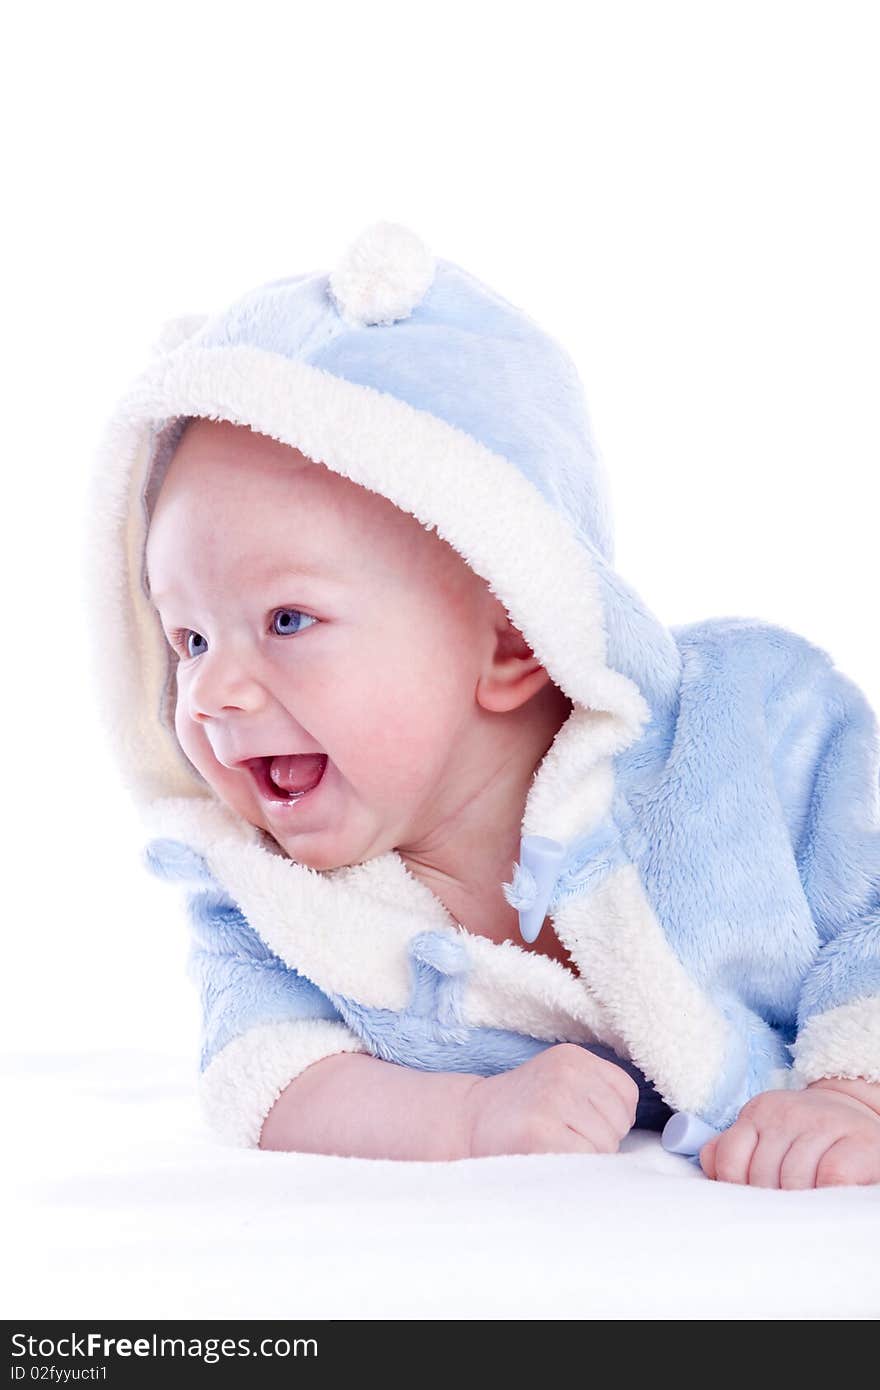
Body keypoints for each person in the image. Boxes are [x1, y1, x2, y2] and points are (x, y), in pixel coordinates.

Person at [84, 220, 880, 1187]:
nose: (211, 692)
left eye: (288, 619)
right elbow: (264, 1073)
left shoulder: (754, 735)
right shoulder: (266, 894)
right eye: (190, 640)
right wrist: (466, 1115)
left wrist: (852, 1091)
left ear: (513, 638)